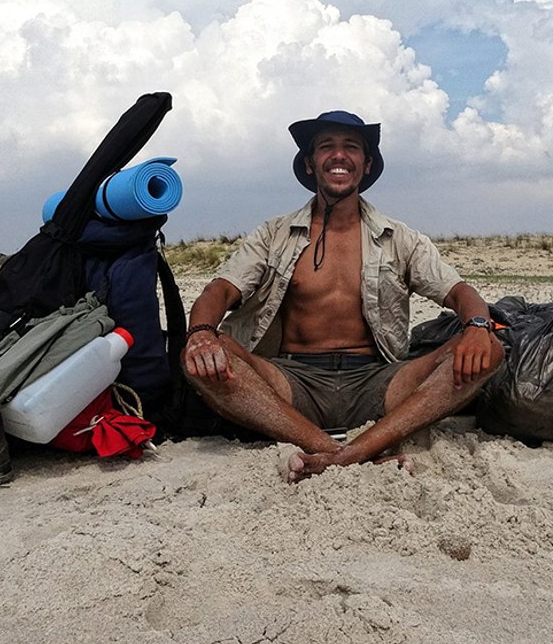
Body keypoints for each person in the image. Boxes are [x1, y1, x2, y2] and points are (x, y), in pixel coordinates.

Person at [183, 110, 503, 482]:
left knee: (489, 348)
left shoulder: (398, 237)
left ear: (365, 165)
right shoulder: (274, 234)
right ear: (310, 162)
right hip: (291, 382)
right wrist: (202, 334)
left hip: (377, 381)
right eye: (326, 147)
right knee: (202, 354)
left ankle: (352, 450)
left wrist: (478, 325)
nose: (339, 155)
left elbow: (460, 292)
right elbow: (219, 290)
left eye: (351, 147)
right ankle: (344, 451)